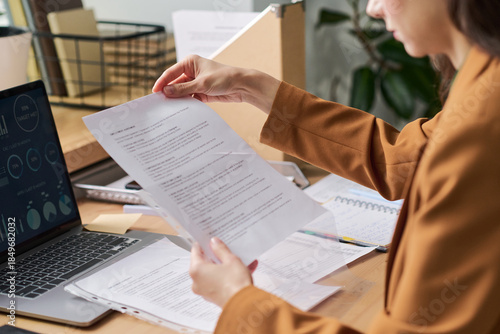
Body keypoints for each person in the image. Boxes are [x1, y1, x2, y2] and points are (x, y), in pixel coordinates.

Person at [152, 0, 500, 332]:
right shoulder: (485, 86)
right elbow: (402, 160)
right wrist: (251, 86)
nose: (373, 9)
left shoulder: (481, 128)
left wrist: (239, 302)